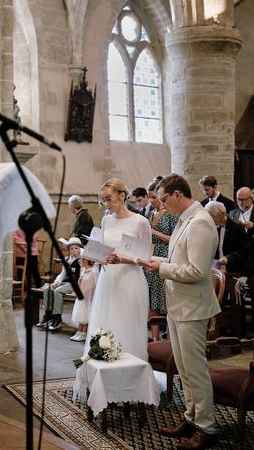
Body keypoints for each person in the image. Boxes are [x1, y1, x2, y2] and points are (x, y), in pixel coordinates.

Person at [138, 174, 220, 450]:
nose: (162, 205)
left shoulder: (200, 222)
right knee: (185, 370)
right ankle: (190, 418)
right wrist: (156, 260)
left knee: (196, 371)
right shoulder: (186, 220)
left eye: (163, 199)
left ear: (176, 194)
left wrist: (159, 269)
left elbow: (197, 271)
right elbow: (178, 260)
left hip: (193, 307)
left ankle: (207, 428)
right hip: (179, 304)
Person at [85, 178, 150, 361]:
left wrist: (120, 259)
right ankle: (106, 372)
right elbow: (102, 248)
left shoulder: (140, 222)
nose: (105, 204)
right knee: (105, 323)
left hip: (129, 279)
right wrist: (93, 255)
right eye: (102, 200)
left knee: (125, 326)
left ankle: (129, 374)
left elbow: (145, 258)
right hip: (108, 278)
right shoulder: (106, 220)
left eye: (108, 199)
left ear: (122, 196)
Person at [145, 180, 179, 340]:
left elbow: (173, 238)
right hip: (151, 255)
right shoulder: (151, 214)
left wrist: (153, 232)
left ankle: (170, 336)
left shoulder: (170, 214)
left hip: (165, 256)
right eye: (150, 197)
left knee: (163, 298)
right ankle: (155, 338)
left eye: (154, 197)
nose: (151, 200)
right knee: (152, 299)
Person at [36, 237, 82, 331]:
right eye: (71, 248)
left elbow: (82, 274)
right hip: (65, 282)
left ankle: (57, 318)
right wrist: (57, 281)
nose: (74, 250)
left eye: (76, 248)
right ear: (69, 250)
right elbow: (63, 273)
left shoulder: (81, 260)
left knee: (57, 291)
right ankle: (48, 314)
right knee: (48, 289)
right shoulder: (67, 259)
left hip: (74, 284)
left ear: (80, 249)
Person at [205, 201, 253, 277]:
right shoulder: (214, 226)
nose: (209, 220)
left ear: (219, 215)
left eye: (210, 217)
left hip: (234, 269)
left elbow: (245, 250)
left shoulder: (237, 226)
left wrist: (228, 258)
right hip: (217, 267)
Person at [69, 256, 98, 342]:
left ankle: (83, 332)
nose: (80, 261)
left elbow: (96, 285)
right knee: (80, 314)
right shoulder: (83, 270)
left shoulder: (93, 272)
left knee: (85, 314)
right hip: (81, 296)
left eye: (82, 259)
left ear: (86, 260)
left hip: (88, 297)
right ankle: (79, 331)